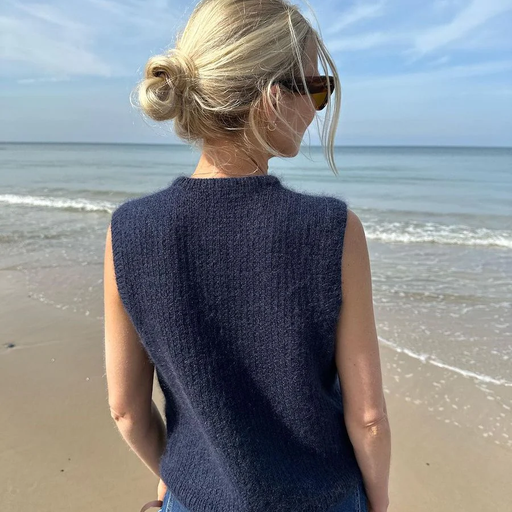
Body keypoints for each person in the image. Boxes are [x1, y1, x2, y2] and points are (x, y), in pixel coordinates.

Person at [103, 0, 391, 511]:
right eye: (316, 87)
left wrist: (176, 475)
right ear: (272, 98)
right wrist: (379, 500)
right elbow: (368, 418)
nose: (318, 108)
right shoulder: (333, 230)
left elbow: (126, 410)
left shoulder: (129, 231)